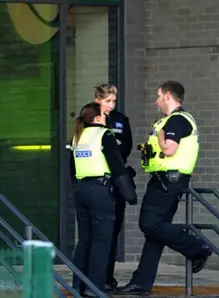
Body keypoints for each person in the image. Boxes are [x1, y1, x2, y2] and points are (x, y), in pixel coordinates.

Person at [115, 80, 211, 296]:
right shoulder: (171, 120)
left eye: (158, 96)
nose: (156, 101)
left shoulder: (177, 121)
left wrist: (159, 135)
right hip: (164, 180)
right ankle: (140, 284)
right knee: (155, 233)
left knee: (149, 224)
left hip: (168, 182)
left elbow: (168, 149)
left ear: (168, 96)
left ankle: (197, 248)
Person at [70, 102, 137, 297]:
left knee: (84, 241)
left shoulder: (78, 136)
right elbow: (116, 166)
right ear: (98, 117)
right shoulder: (104, 135)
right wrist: (130, 195)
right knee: (102, 240)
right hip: (100, 191)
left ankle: (78, 285)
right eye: (104, 114)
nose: (107, 116)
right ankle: (95, 287)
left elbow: (72, 169)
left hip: (81, 190)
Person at [93, 83, 134, 291]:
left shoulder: (120, 119)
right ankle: (92, 277)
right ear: (97, 99)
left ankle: (107, 277)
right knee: (95, 233)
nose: (111, 105)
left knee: (112, 230)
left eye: (113, 101)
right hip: (95, 181)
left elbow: (126, 146)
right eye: (108, 100)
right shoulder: (88, 117)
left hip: (115, 181)